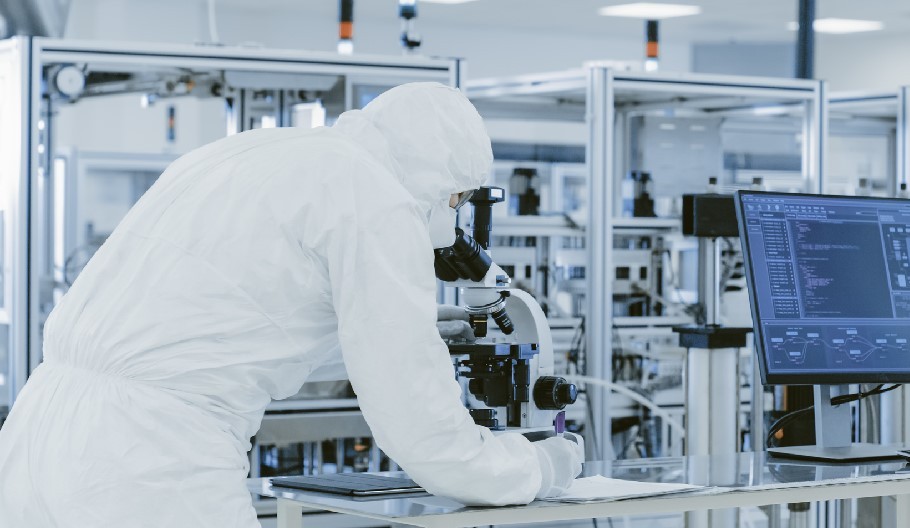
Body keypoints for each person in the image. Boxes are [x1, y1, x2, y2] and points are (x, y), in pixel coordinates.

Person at [0, 82, 583, 527]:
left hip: (37, 433)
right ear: (434, 178)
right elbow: (424, 435)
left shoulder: (259, 152)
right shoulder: (378, 198)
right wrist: (538, 467)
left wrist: (411, 323)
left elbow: (242, 321)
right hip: (148, 460)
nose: (450, 216)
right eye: (455, 198)